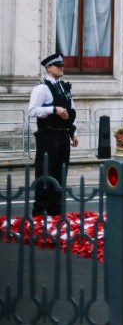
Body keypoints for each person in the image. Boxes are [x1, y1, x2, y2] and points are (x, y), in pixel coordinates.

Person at [28, 53, 78, 217]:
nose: (62, 67)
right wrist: (53, 109)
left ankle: (57, 214)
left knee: (60, 176)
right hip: (48, 137)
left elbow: (71, 111)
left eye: (62, 65)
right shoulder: (41, 88)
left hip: (63, 137)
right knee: (45, 174)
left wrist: (73, 133)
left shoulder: (64, 87)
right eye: (58, 65)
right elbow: (32, 111)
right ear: (48, 68)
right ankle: (41, 213)